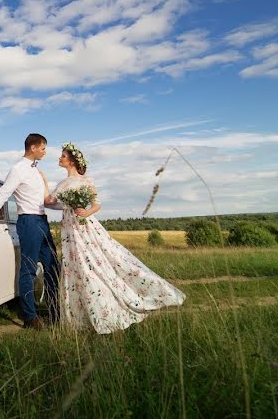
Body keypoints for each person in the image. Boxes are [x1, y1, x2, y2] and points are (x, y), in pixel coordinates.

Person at [46, 142, 185, 334]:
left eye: (62, 155)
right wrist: (43, 183)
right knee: (75, 265)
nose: (59, 158)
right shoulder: (62, 184)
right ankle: (82, 314)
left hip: (85, 225)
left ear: (71, 160)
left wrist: (86, 212)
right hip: (69, 227)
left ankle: (118, 298)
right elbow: (50, 202)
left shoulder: (86, 181)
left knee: (102, 258)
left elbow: (97, 204)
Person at [0, 133, 59, 330]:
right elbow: (4, 192)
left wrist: (69, 207)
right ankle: (30, 316)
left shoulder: (37, 172)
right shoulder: (18, 169)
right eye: (43, 148)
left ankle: (54, 310)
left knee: (53, 266)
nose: (45, 152)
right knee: (29, 268)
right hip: (28, 222)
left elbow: (45, 201)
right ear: (33, 148)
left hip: (42, 221)